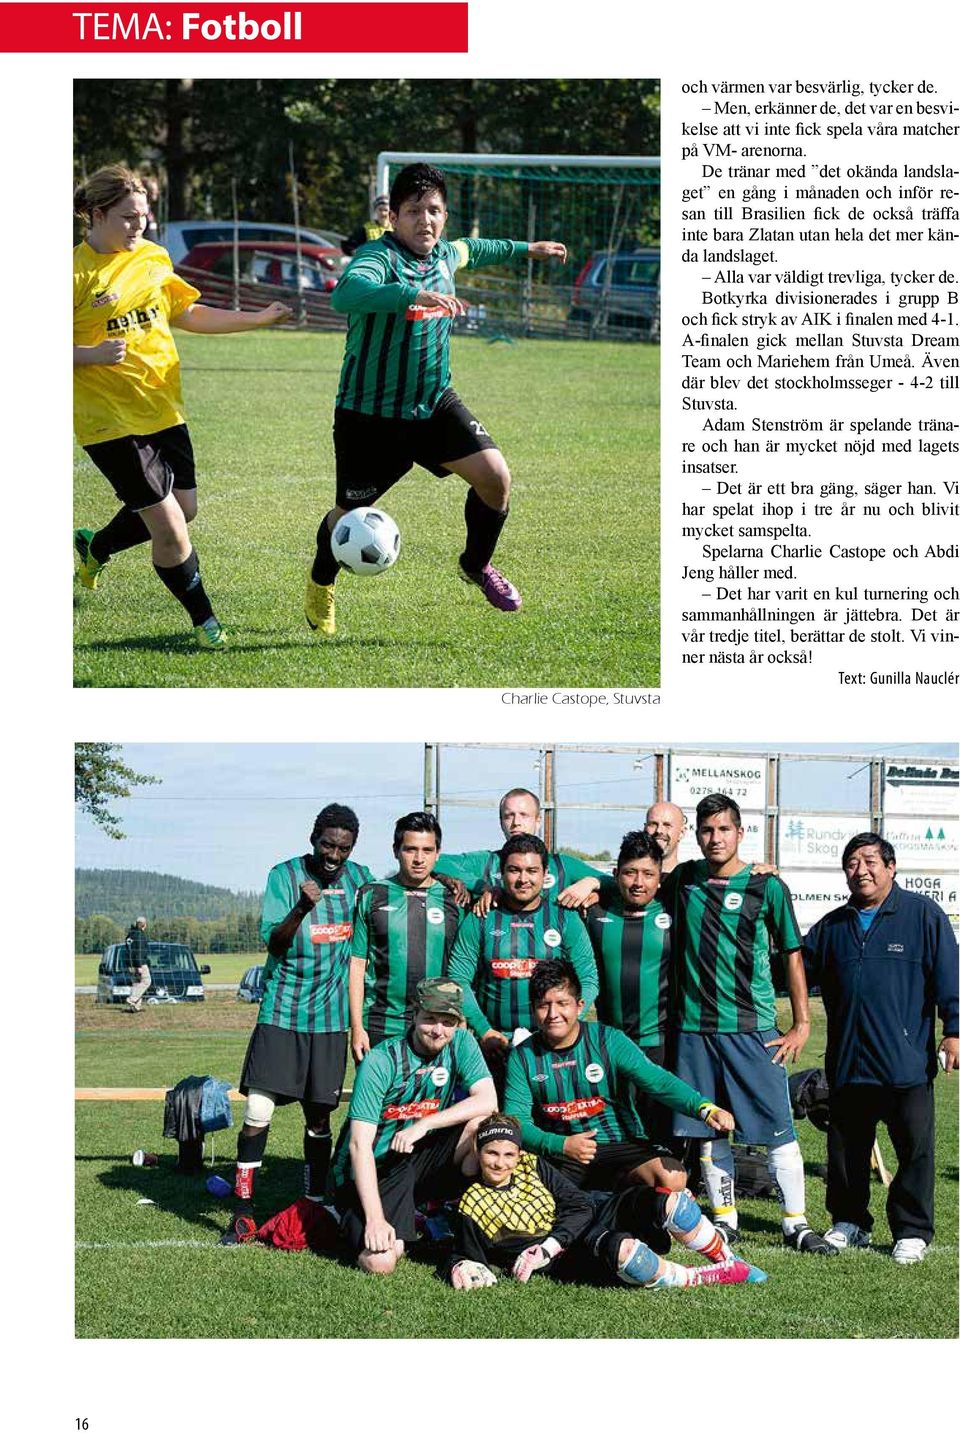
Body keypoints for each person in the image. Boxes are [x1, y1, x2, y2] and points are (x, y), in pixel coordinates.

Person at [304, 161, 567, 635]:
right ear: (394, 218)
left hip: (432, 404)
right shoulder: (376, 257)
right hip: (370, 416)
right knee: (346, 515)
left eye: (434, 211)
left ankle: (475, 565)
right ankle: (322, 583)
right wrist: (412, 296)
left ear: (444, 216)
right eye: (413, 211)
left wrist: (529, 248)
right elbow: (346, 294)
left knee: (496, 479)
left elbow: (479, 248)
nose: (425, 220)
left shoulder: (447, 254)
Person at [73, 164, 291, 649]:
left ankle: (97, 545)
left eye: (144, 217)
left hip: (164, 409)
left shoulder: (153, 257)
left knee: (184, 509)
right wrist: (88, 355)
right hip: (109, 422)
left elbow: (187, 313)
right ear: (97, 214)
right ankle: (206, 623)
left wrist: (256, 318)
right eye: (129, 217)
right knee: (170, 526)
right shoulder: (73, 272)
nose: (140, 227)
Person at [664, 794, 834, 1254]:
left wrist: (800, 1023)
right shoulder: (684, 880)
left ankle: (795, 1223)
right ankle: (726, 1220)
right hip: (695, 1032)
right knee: (710, 1130)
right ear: (696, 836)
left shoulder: (767, 887)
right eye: (706, 830)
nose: (714, 838)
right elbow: (632, 884)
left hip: (752, 1029)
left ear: (740, 833)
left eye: (723, 829)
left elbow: (792, 954)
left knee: (779, 1127)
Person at [220, 805, 374, 1244]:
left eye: (344, 848)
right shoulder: (283, 876)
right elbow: (274, 941)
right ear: (313, 838)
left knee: (319, 1117)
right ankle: (243, 1211)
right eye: (328, 844)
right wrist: (302, 908)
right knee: (258, 1110)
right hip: (283, 1012)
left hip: (329, 1020)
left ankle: (315, 1201)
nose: (334, 855)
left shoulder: (360, 879)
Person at [803, 833, 958, 1265]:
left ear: (891, 867)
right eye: (851, 863)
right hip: (850, 1064)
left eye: (870, 861)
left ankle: (911, 1231)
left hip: (904, 1063)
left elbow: (949, 977)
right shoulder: (832, 927)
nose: (861, 870)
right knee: (846, 1152)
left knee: (914, 1149)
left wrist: (954, 1029)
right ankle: (849, 1223)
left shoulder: (923, 916)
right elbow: (793, 971)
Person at [449, 1114, 765, 1290]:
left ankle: (731, 1260)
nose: (501, 1163)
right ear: (478, 1153)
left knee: (673, 1204)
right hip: (570, 1253)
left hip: (585, 1217)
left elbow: (579, 1205)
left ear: (518, 1154)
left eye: (509, 1154)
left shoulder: (532, 1164)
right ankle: (704, 1277)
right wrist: (459, 1265)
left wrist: (548, 1245)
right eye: (492, 1153)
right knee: (630, 1256)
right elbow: (460, 1251)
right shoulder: (471, 1204)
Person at [504, 959, 733, 1195]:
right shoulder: (522, 1057)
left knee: (673, 1177)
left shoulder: (608, 1040)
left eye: (562, 1003)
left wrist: (704, 1108)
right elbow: (517, 1121)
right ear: (533, 1009)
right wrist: (561, 1144)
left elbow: (658, 1081)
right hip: (561, 1152)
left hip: (620, 1144)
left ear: (579, 1005)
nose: (554, 1014)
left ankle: (627, 1205)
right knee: (528, 1199)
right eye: (544, 1005)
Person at [329, 977, 496, 1274]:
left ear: (459, 1023)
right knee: (381, 1261)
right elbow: (359, 1146)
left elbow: (487, 1101)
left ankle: (459, 1214)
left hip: (415, 1157)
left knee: (483, 1127)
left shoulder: (461, 1042)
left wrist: (424, 1125)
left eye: (448, 1021)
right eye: (430, 1019)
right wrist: (376, 1219)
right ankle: (341, 1215)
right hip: (373, 1171)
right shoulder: (381, 1061)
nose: (438, 1030)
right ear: (414, 1014)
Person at [446, 835, 599, 1085]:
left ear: (545, 873)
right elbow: (458, 979)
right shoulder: (481, 917)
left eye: (532, 871)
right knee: (492, 1122)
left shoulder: (565, 920)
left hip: (553, 1045)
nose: (523, 879)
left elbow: (588, 980)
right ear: (501, 872)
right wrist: (484, 1031)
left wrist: (562, 1025)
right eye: (514, 870)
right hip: (494, 1045)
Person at [583, 831, 676, 1144]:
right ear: (615, 875)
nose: (639, 882)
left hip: (660, 1043)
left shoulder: (673, 910)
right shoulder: (593, 913)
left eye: (648, 874)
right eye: (630, 873)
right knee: (616, 1133)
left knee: (659, 1133)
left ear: (660, 878)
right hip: (609, 1045)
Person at [349, 811, 463, 1059]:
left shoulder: (454, 899)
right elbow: (357, 964)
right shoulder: (372, 895)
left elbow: (463, 967)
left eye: (427, 850)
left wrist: (462, 1019)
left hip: (438, 1024)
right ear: (396, 850)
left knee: (429, 1099)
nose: (419, 859)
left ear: (438, 853)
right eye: (411, 849)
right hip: (381, 1023)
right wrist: (357, 1027)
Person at [433, 786, 606, 902]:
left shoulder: (562, 865)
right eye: (509, 816)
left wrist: (591, 883)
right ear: (501, 822)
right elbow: (435, 860)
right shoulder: (487, 861)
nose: (516, 822)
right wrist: (483, 886)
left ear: (538, 821)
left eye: (524, 815)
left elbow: (616, 882)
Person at [644, 801, 687, 874]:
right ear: (645, 829)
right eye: (653, 824)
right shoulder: (632, 881)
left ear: (681, 833)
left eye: (667, 825)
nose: (659, 830)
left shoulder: (690, 881)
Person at [124, 915, 151, 1012]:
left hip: (130, 964)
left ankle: (135, 1007)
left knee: (136, 984)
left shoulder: (130, 935)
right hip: (139, 963)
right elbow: (139, 951)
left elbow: (129, 950)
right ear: (144, 925)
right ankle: (132, 999)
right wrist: (139, 965)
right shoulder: (140, 935)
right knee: (146, 981)